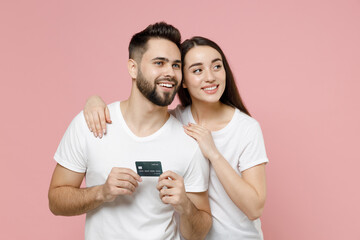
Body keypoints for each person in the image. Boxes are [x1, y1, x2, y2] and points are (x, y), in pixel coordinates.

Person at [85, 36, 269, 239]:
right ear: (182, 80)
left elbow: (254, 208)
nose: (210, 77)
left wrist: (214, 154)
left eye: (217, 67)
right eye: (197, 70)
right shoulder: (176, 120)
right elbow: (138, 113)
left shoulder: (246, 128)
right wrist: (94, 101)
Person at [48, 22, 212, 240]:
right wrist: (102, 192)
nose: (169, 73)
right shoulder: (91, 123)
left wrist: (185, 205)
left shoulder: (190, 142)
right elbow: (56, 201)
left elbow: (198, 233)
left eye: (175, 65)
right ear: (133, 68)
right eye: (159, 63)